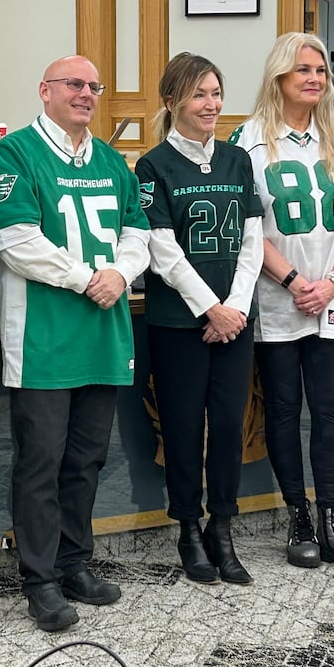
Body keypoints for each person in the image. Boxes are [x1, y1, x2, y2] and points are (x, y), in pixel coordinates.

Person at [0, 55, 150, 631]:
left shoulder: (110, 160)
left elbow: (138, 232)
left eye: (93, 86)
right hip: (43, 339)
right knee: (40, 462)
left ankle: (75, 561)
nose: (85, 93)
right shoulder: (16, 153)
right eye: (73, 84)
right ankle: (39, 579)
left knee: (87, 460)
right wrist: (88, 278)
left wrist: (122, 274)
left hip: (103, 334)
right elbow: (14, 239)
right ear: (44, 89)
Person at [232, 32, 334, 574]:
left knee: (333, 410)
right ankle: (298, 516)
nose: (315, 78)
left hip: (333, 299)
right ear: (279, 76)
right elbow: (249, 228)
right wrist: (295, 280)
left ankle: (333, 521)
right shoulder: (248, 141)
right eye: (303, 70)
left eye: (320, 69)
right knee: (284, 409)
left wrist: (333, 284)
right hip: (277, 298)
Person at [135, 52, 263, 585]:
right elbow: (161, 249)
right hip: (179, 323)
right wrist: (209, 307)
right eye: (199, 95)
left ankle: (223, 527)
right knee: (183, 428)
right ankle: (188, 526)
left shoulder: (237, 160)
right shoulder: (153, 166)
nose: (210, 104)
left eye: (215, 93)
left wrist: (233, 307)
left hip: (234, 319)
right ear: (172, 101)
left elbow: (253, 240)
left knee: (231, 426)